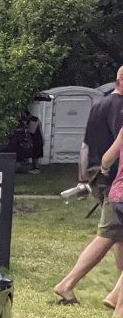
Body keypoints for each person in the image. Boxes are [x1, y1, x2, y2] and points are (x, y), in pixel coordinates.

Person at [55, 124, 123, 307]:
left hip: (114, 190)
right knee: (106, 237)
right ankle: (67, 284)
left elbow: (97, 152)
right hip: (114, 189)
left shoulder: (101, 107)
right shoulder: (116, 107)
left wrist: (99, 171)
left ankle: (115, 296)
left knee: (111, 236)